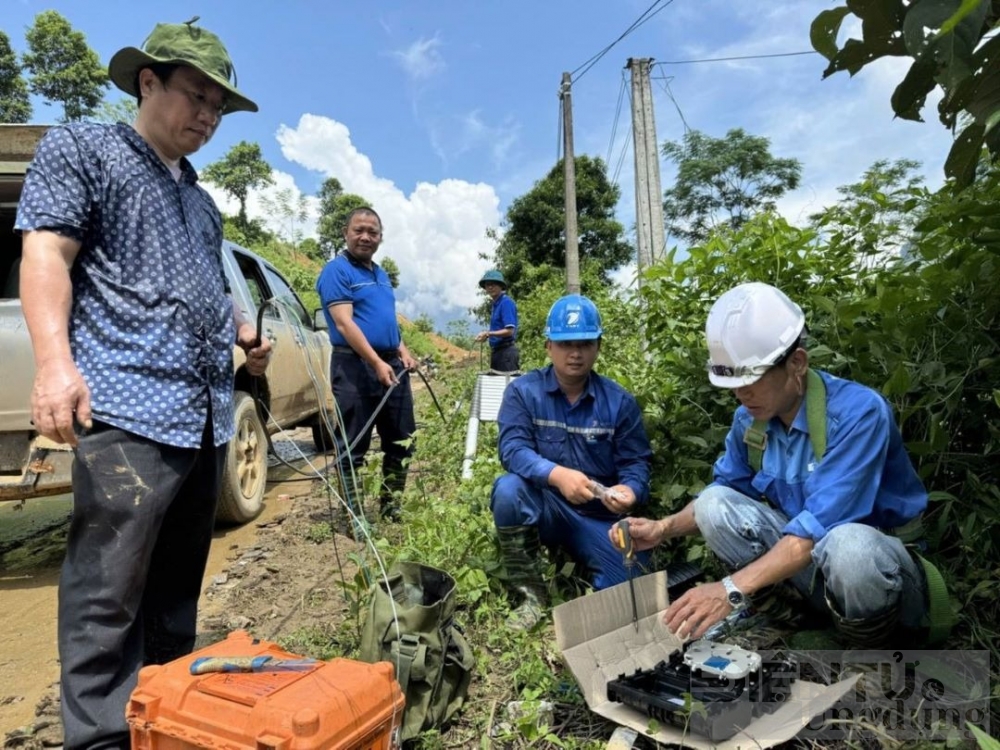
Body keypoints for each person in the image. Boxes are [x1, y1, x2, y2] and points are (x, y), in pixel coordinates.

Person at [15, 19, 271, 750]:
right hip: (128, 410)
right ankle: (98, 736)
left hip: (201, 420)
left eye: (220, 109)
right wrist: (56, 365)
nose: (209, 118)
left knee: (173, 591)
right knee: (107, 593)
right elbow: (47, 257)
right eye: (198, 97)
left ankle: (167, 715)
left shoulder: (200, 202)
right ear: (148, 81)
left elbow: (205, 291)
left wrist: (242, 335)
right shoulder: (86, 150)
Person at [618, 282, 932, 648]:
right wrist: (662, 528)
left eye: (750, 379)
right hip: (810, 570)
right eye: (733, 382)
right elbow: (724, 496)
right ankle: (785, 616)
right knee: (713, 503)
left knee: (849, 545)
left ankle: (872, 650)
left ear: (796, 363)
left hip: (882, 582)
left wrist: (728, 589)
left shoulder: (858, 415)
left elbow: (816, 532)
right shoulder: (750, 422)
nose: (740, 393)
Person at [492, 294, 653, 629]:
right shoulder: (523, 392)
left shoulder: (619, 403)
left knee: (634, 583)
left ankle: (586, 562)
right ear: (549, 347)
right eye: (565, 344)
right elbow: (512, 449)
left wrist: (629, 490)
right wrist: (556, 474)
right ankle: (531, 594)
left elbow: (636, 463)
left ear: (598, 346)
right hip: (546, 506)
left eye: (584, 343)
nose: (575, 353)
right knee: (508, 490)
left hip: (598, 517)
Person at [316, 207, 417, 522]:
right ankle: (354, 519)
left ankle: (391, 509)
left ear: (380, 237)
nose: (365, 237)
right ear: (346, 232)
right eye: (359, 230)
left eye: (372, 232)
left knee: (402, 439)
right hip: (355, 367)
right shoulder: (337, 271)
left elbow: (386, 322)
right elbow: (345, 324)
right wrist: (374, 361)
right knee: (353, 447)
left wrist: (402, 350)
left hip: (391, 365)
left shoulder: (381, 273)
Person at [474, 269, 520, 372]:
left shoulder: (506, 303)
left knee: (507, 386)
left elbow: (509, 331)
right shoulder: (496, 304)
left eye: (494, 284)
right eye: (488, 285)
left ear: (501, 286)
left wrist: (488, 334)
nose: (490, 287)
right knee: (496, 385)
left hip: (506, 353)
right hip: (497, 352)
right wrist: (488, 336)